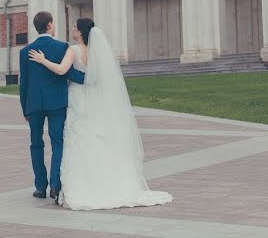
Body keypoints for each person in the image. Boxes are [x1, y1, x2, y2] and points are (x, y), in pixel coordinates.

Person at [28, 17, 173, 210]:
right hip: (94, 99)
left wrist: (43, 60)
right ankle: (105, 181)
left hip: (78, 100)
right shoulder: (97, 51)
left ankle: (80, 185)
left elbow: (62, 70)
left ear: (79, 32)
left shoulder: (74, 49)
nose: (71, 29)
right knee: (96, 136)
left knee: (78, 138)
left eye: (74, 27)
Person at [18, 11, 86, 203]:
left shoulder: (25, 52)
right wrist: (91, 79)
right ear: (49, 25)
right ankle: (56, 185)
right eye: (53, 23)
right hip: (57, 103)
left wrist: (25, 108)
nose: (54, 26)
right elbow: (69, 73)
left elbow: (24, 84)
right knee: (58, 143)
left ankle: (40, 187)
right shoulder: (61, 46)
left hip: (34, 105)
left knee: (36, 144)